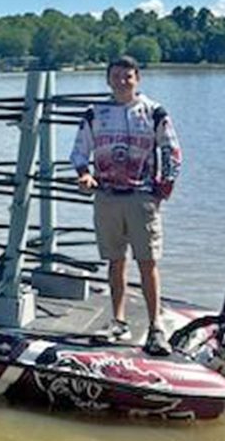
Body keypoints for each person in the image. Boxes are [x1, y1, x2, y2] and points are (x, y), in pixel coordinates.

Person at [70, 55, 183, 356]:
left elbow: (172, 150)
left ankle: (155, 327)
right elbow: (79, 152)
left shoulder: (154, 112)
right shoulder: (95, 113)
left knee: (148, 262)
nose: (122, 81)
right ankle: (118, 321)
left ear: (137, 79)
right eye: (116, 76)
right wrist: (84, 175)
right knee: (115, 261)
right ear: (108, 80)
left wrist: (164, 187)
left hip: (141, 197)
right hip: (107, 197)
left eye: (127, 76)